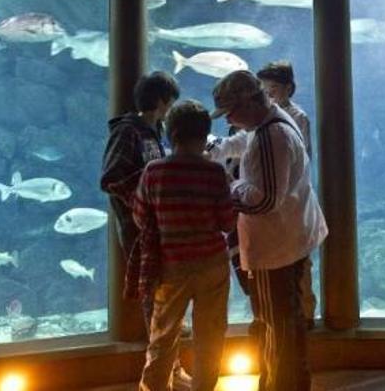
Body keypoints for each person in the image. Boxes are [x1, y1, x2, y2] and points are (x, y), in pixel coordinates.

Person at [209, 70, 328, 391]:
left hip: (276, 249)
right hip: (292, 238)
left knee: (278, 326)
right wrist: (217, 150)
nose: (229, 119)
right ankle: (282, 381)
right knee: (285, 323)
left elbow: (264, 201)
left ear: (248, 102)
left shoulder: (269, 137)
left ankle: (282, 384)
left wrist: (227, 185)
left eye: (230, 111)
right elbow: (241, 141)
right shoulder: (272, 121)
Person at [127, 99, 236, 391]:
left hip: (171, 265)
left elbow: (140, 216)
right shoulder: (214, 173)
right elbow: (227, 222)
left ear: (171, 135)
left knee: (162, 335)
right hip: (212, 264)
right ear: (205, 135)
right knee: (211, 335)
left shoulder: (154, 172)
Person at [100, 71, 191, 388]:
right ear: (162, 100)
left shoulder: (158, 130)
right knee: (154, 301)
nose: (171, 108)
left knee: (168, 300)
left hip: (164, 228)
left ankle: (172, 367)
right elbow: (110, 178)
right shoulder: (128, 132)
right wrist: (144, 200)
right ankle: (160, 374)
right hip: (140, 232)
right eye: (170, 101)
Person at [256, 61, 317, 329]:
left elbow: (302, 158)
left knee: (300, 262)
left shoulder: (297, 116)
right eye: (264, 89)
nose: (268, 94)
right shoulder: (261, 118)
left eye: (274, 89)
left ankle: (306, 314)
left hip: (293, 203)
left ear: (288, 89)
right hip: (272, 207)